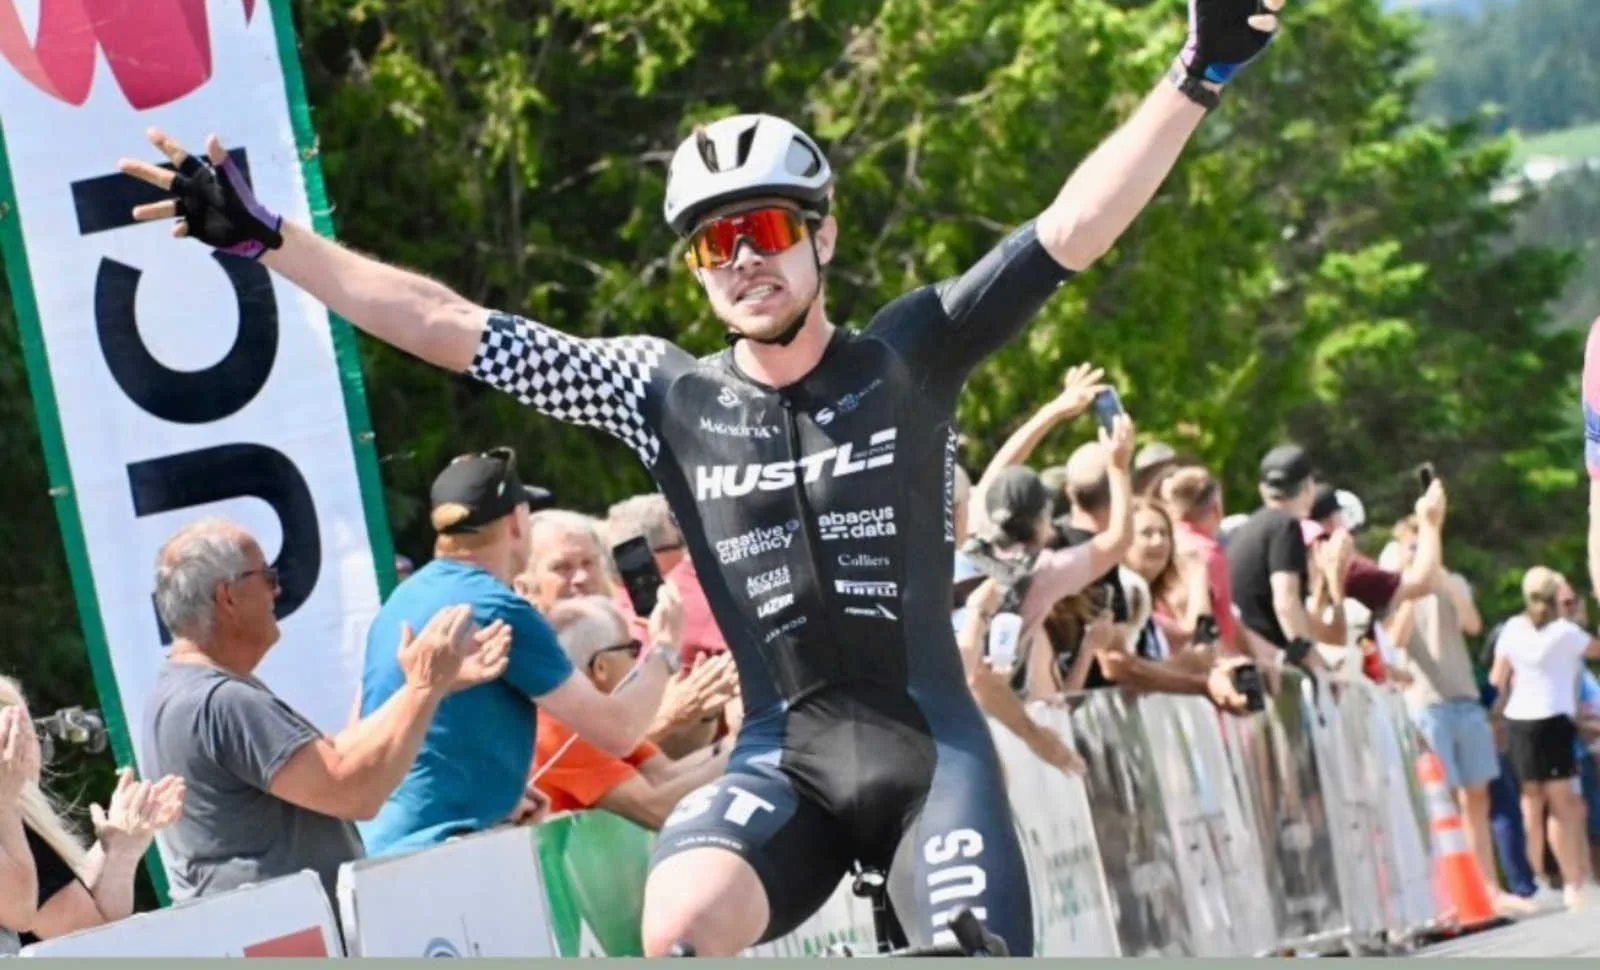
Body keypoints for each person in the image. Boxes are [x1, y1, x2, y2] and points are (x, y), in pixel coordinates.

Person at [117, 1, 1289, 952]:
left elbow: (1068, 230)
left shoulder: (909, 353)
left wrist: (1198, 72)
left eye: (766, 228)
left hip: (931, 745)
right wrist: (272, 241)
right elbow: (443, 321)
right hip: (784, 756)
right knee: (674, 922)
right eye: (713, 242)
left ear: (821, 237)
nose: (741, 261)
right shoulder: (658, 391)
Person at [141, 518, 508, 901]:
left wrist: (434, 686)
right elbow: (355, 792)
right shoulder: (221, 700)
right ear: (227, 596)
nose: (277, 589)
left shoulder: (184, 691)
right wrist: (423, 687)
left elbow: (331, 757)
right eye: (267, 576)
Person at [357, 451, 674, 856]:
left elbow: (374, 721)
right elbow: (619, 732)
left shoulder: (402, 599)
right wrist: (664, 650)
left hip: (386, 846)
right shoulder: (498, 606)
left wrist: (499, 791)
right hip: (452, 850)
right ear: (515, 523)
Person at [1383, 517, 1527, 914]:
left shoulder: (1452, 581)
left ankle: (1489, 888)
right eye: (1413, 546)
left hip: (1464, 697)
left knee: (1477, 797)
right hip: (1426, 700)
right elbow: (1393, 639)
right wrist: (1414, 584)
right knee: (1439, 801)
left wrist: (1443, 579)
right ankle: (1448, 896)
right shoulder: (1396, 589)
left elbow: (1472, 623)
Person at [1, 679, 184, 946]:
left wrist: (119, 849)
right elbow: (93, 942)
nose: (36, 743)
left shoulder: (16, 827)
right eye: (27, 731)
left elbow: (91, 926)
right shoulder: (11, 828)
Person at [531, 597, 734, 830]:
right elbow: (658, 809)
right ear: (601, 668)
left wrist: (742, 740)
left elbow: (664, 776)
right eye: (633, 651)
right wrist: (750, 746)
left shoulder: (604, 718)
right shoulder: (557, 727)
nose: (638, 663)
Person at [1488, 566, 1600, 909]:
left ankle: (1536, 879)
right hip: (1552, 721)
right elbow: (1595, 650)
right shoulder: (1566, 632)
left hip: (1520, 722)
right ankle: (1572, 882)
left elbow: (1497, 677)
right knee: (1562, 806)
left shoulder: (1512, 629)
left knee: (1531, 804)